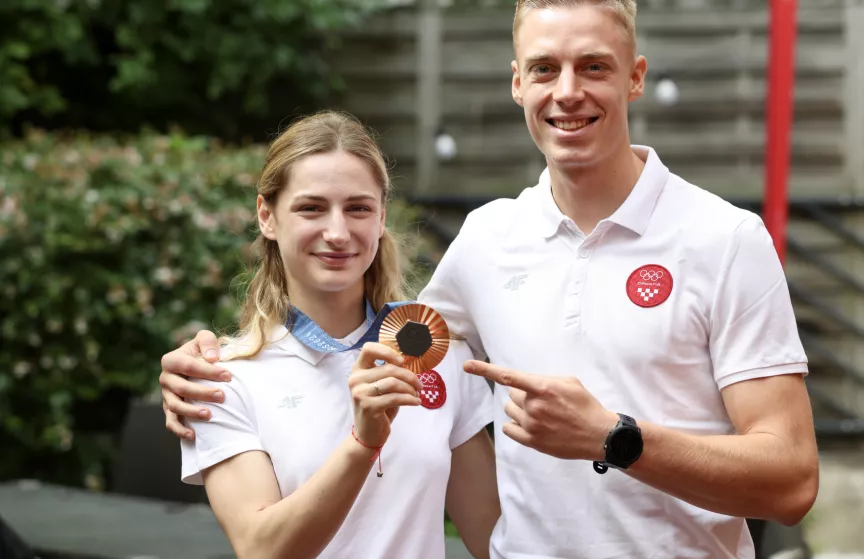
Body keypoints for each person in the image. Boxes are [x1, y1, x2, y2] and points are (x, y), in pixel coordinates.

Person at [159, 1, 819, 557]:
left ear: (635, 78)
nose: (567, 92)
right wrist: (200, 364)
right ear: (516, 83)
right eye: (543, 69)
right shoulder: (486, 241)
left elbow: (791, 484)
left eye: (594, 66)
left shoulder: (724, 239)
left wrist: (616, 438)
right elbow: (374, 331)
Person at [172, 111, 499, 559]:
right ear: (267, 216)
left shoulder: (434, 353)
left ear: (382, 216)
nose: (338, 232)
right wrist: (363, 443)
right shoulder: (222, 381)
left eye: (358, 208)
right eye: (311, 208)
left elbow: (495, 539)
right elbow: (261, 550)